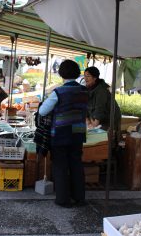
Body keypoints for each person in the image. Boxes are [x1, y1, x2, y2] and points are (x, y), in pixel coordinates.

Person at [39, 60, 88, 208]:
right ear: (77, 73)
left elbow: (42, 111)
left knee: (60, 166)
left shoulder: (58, 92)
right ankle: (79, 198)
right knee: (76, 164)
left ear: (61, 74)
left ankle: (63, 199)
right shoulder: (84, 91)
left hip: (61, 133)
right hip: (78, 132)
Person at [83, 66, 122, 132]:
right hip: (98, 119)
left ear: (95, 78)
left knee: (106, 138)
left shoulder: (101, 90)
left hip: (109, 119)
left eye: (88, 76)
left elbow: (100, 108)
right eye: (85, 76)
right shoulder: (88, 88)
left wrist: (94, 124)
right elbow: (85, 106)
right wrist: (88, 121)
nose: (85, 78)